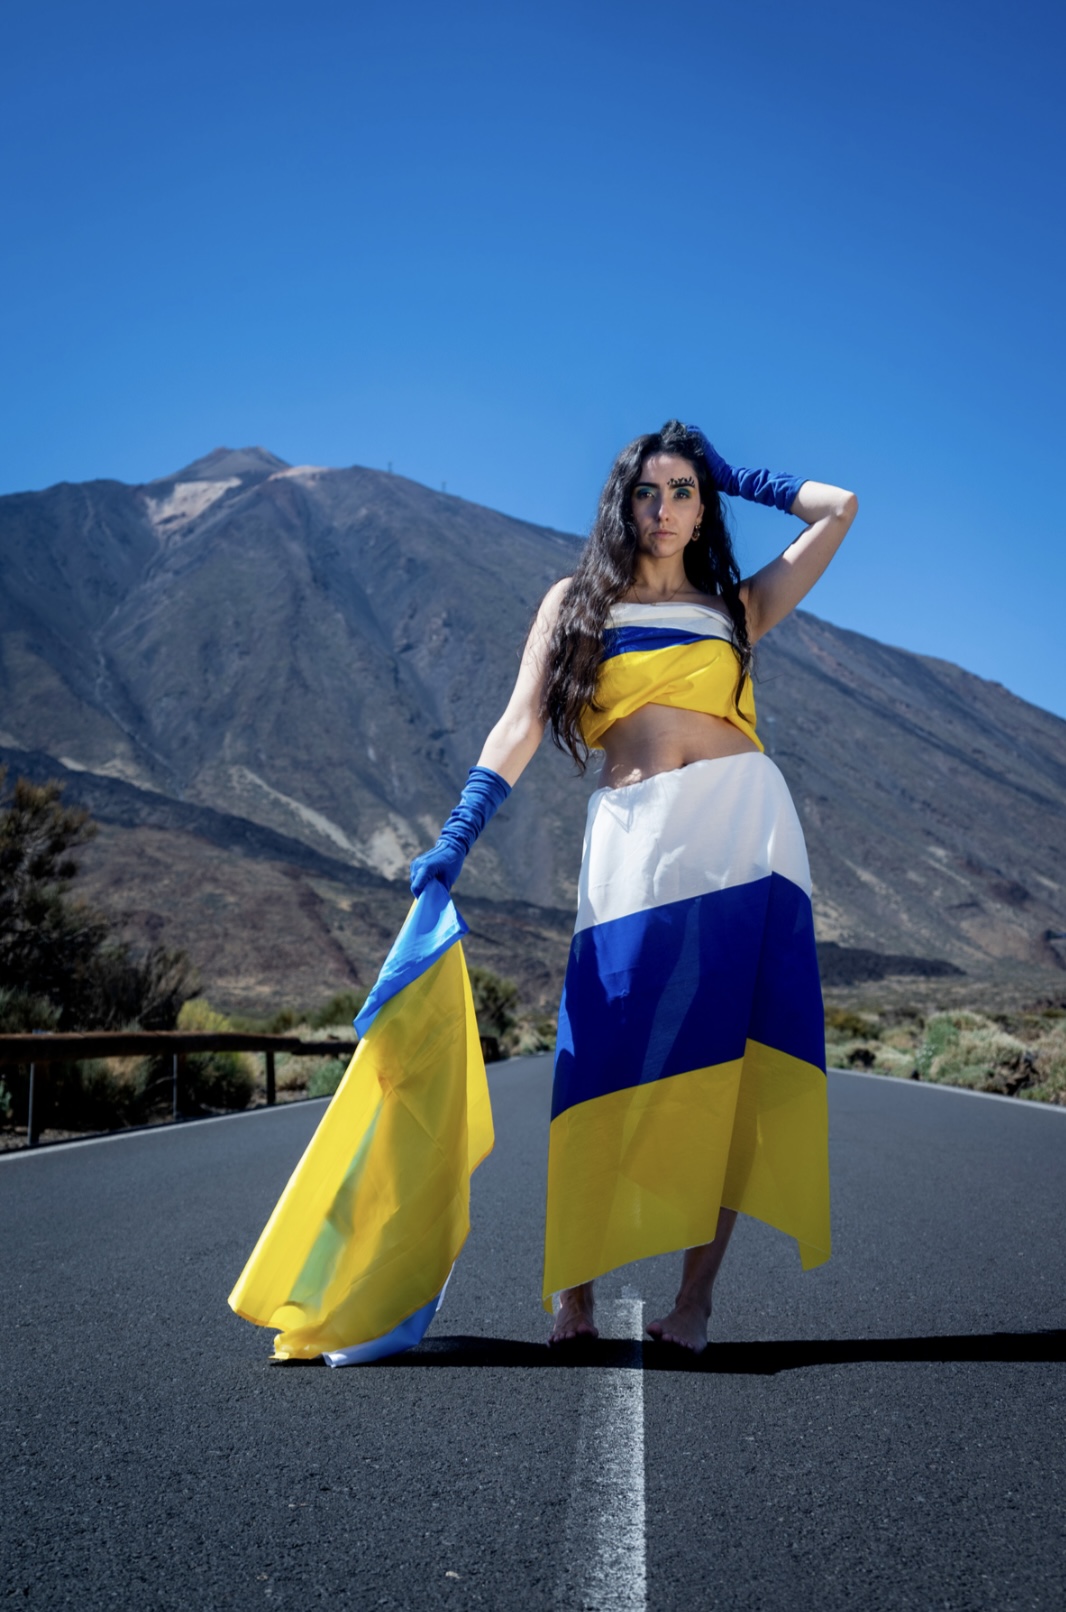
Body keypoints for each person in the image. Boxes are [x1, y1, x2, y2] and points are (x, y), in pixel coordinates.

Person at [409, 420, 859, 1353]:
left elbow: (839, 509)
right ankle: (574, 1295)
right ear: (622, 503)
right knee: (599, 1051)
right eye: (649, 492)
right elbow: (520, 724)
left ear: (705, 505)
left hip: (744, 838)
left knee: (730, 1061)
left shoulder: (737, 606)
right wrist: (459, 832)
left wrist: (737, 473)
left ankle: (694, 1303)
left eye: (685, 492)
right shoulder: (576, 603)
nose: (665, 509)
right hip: (634, 839)